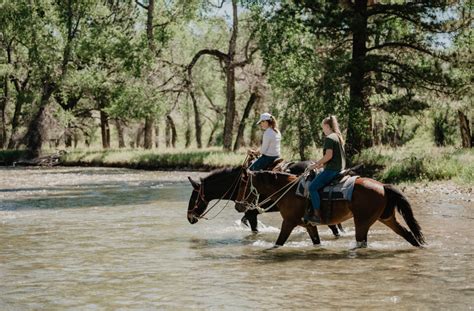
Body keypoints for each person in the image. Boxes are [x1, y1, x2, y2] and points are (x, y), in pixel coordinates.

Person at [305, 115, 346, 224]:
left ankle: (317, 215)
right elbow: (335, 157)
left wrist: (315, 165)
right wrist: (320, 165)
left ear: (327, 126)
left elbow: (329, 156)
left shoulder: (329, 138)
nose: (323, 131)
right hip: (339, 168)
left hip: (332, 170)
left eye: (323, 128)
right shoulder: (338, 136)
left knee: (312, 187)